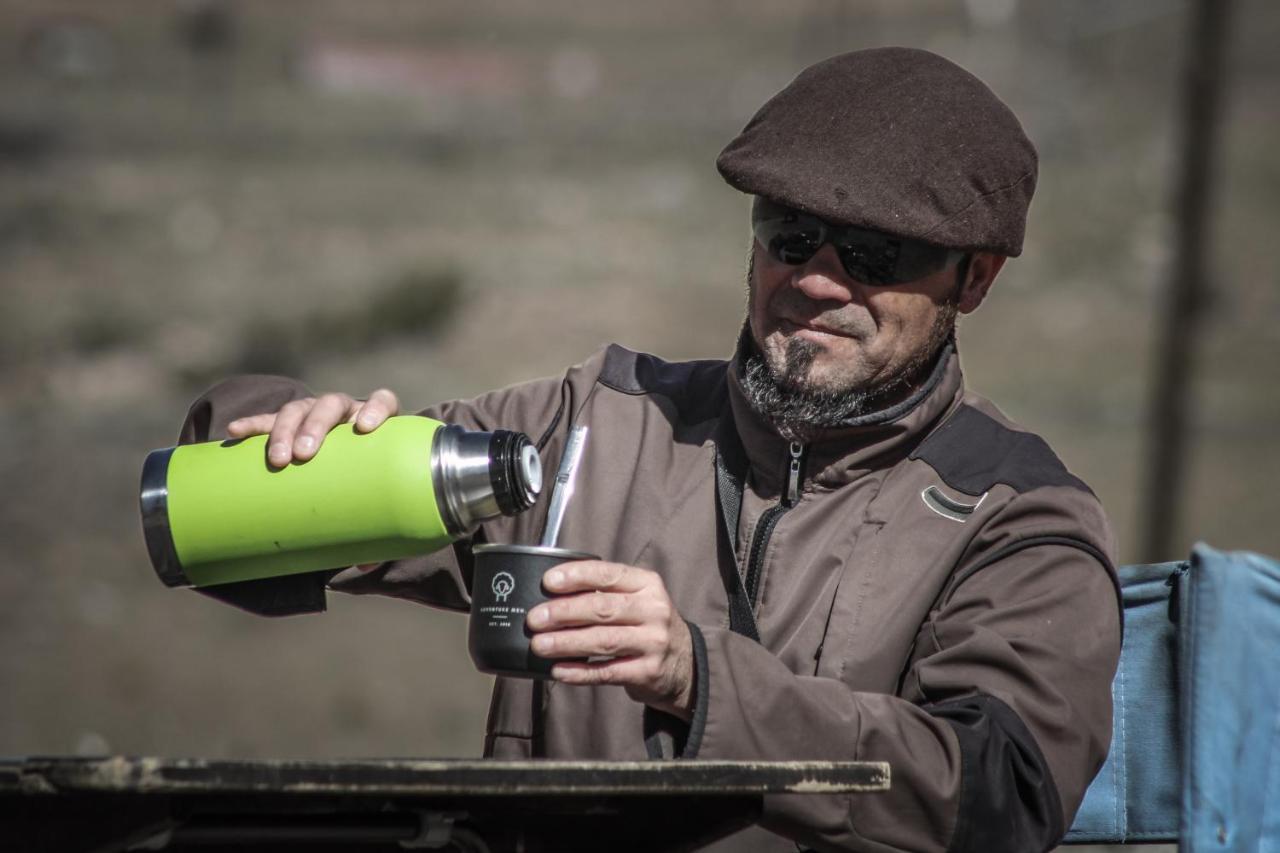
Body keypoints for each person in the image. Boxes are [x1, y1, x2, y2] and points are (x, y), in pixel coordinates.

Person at [177, 48, 1121, 852]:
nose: (818, 280)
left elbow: (1002, 797)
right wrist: (273, 435)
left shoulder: (1015, 512)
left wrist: (700, 680)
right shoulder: (596, 420)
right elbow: (208, 529)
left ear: (974, 280)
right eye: (790, 233)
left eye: (876, 254)